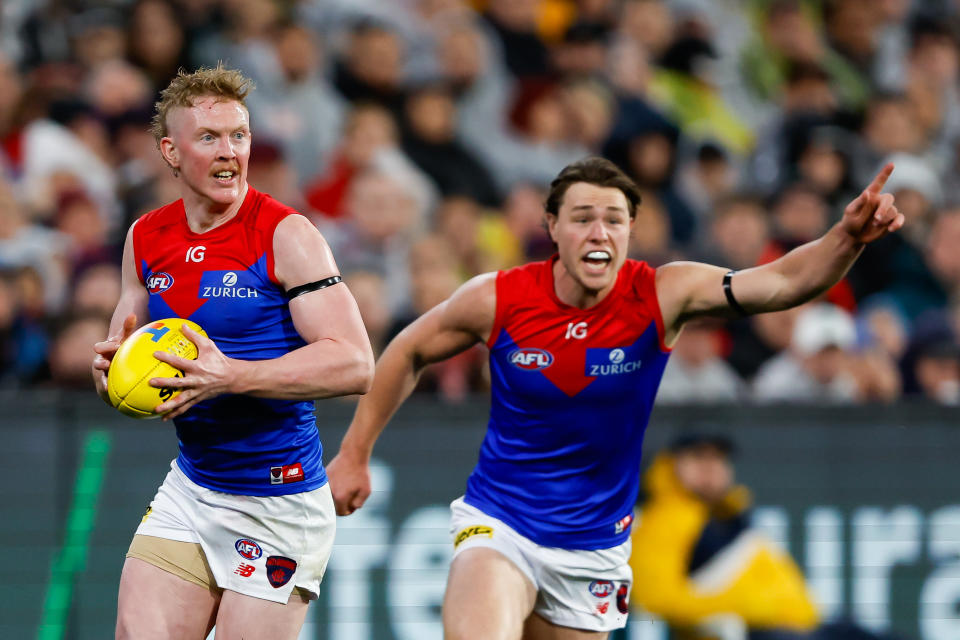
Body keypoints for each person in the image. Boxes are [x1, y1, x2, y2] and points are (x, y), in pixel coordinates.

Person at [327, 155, 903, 639]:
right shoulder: (499, 299)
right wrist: (355, 452)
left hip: (593, 549)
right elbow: (406, 351)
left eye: (614, 219)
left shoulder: (663, 294)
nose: (599, 232)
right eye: (581, 218)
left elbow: (780, 283)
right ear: (551, 227)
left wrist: (845, 238)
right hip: (501, 522)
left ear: (631, 230)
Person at [90, 66, 374, 640]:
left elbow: (354, 362)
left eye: (238, 136)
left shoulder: (285, 234)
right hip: (193, 489)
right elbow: (131, 344)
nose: (230, 152)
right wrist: (113, 374)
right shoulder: (145, 236)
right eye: (210, 138)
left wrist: (231, 376)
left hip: (280, 499)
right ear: (170, 151)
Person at [629, 434, 907, 640]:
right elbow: (655, 597)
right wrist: (736, 614)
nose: (710, 467)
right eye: (699, 457)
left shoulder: (730, 514)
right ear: (673, 464)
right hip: (756, 632)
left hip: (802, 625)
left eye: (717, 458)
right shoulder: (664, 519)